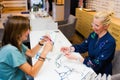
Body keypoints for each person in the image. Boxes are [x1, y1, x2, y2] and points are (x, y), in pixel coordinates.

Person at [61, 11, 116, 75]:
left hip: (100, 73)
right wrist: (70, 49)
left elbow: (97, 65)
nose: (93, 28)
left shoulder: (110, 42)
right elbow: (83, 46)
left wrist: (78, 58)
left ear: (106, 26)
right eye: (93, 24)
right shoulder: (93, 35)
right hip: (89, 66)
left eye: (97, 25)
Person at [0, 16, 53, 80]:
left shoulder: (15, 43)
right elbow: (32, 73)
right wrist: (44, 52)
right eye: (26, 30)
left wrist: (42, 42)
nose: (29, 32)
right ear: (17, 32)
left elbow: (31, 53)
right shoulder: (11, 50)